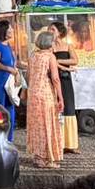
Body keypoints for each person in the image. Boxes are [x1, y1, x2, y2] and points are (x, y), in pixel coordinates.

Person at [26, 29, 64, 168]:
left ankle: (38, 156)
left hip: (33, 93)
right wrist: (60, 97)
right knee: (48, 123)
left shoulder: (33, 56)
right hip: (45, 93)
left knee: (37, 125)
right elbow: (55, 79)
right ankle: (48, 158)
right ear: (50, 43)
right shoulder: (50, 57)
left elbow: (28, 75)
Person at [53, 23, 80, 152]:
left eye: (52, 29)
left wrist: (59, 62)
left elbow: (75, 60)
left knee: (69, 108)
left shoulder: (68, 46)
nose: (50, 31)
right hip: (54, 79)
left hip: (65, 79)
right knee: (57, 109)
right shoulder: (50, 47)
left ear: (59, 32)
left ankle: (71, 143)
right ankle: (59, 143)